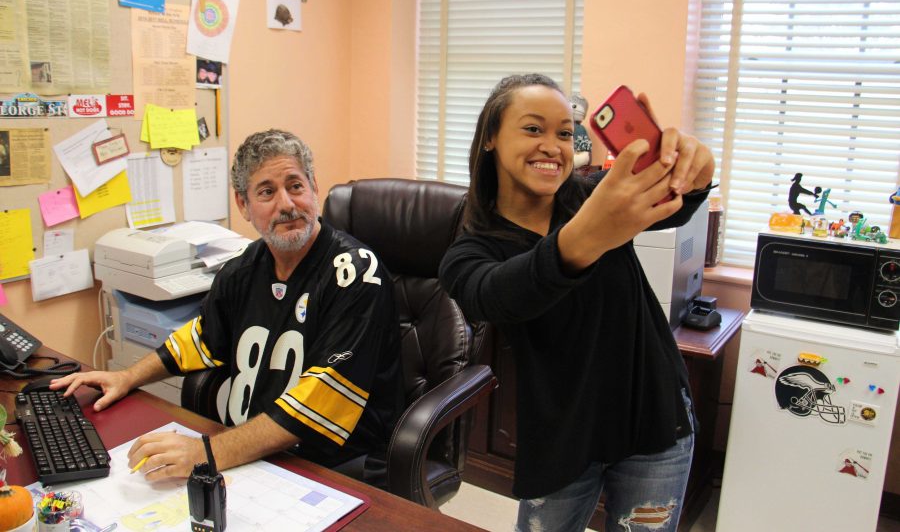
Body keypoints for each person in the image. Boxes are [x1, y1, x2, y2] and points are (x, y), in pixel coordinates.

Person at [439, 74, 715, 532]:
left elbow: (676, 203)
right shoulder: (470, 252)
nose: (553, 145)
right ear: (490, 137)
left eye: (564, 133)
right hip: (562, 434)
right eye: (533, 129)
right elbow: (504, 295)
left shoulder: (591, 195)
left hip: (653, 415)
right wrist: (588, 236)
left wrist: (695, 173)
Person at [51, 129, 404, 488]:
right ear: (243, 205)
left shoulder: (355, 274)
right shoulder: (244, 269)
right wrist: (126, 377)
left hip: (327, 465)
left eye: (295, 186)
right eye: (266, 192)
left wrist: (204, 452)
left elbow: (318, 406)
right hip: (251, 453)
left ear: (314, 187)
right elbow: (203, 338)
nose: (286, 204)